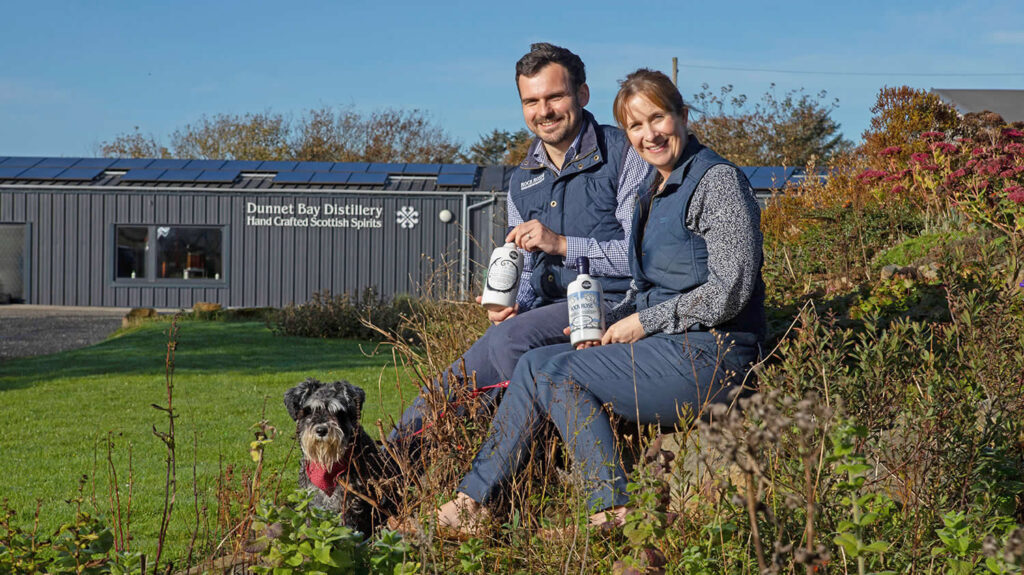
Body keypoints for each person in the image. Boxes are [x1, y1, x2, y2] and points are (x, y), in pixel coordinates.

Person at [429, 68, 767, 534]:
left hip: (712, 354)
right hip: (665, 347)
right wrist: (608, 326)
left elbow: (731, 289)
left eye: (658, 119)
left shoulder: (718, 182)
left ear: (683, 116)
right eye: (635, 126)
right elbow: (646, 286)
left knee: (556, 370)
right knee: (537, 363)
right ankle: (475, 500)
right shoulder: (654, 190)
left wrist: (643, 323)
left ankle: (609, 503)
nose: (649, 135)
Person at [388, 44, 650, 446]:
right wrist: (513, 302)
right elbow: (525, 268)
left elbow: (641, 256)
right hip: (547, 311)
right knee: (451, 384)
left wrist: (563, 244)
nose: (543, 111)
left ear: (582, 94)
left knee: (511, 340)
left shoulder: (625, 154)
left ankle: (548, 449)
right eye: (531, 101)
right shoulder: (522, 178)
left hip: (610, 302)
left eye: (554, 97)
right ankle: (380, 472)